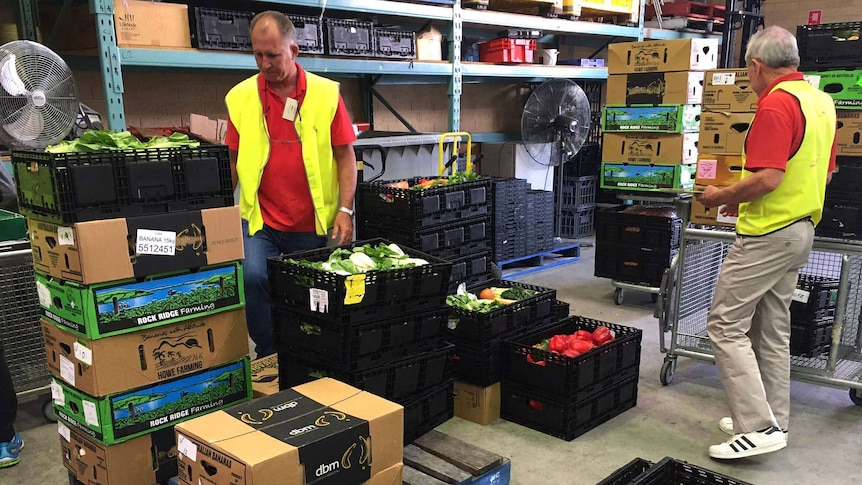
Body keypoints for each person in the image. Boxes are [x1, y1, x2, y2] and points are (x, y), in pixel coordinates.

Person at [695, 26, 837, 460]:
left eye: (748, 70)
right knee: (772, 329)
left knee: (724, 325)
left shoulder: (776, 104)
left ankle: (756, 426)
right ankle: (773, 420)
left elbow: (769, 178)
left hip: (767, 234)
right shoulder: (819, 100)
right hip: (801, 229)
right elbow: (827, 171)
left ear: (756, 66)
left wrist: (722, 198)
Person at [225, 11, 358, 358]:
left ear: (294, 51)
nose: (265, 63)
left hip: (311, 222)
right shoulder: (240, 99)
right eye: (258, 55)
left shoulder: (325, 95)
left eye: (273, 54)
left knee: (310, 291)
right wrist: (220, 214)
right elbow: (233, 162)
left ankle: (310, 354)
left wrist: (345, 209)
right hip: (260, 218)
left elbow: (346, 158)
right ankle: (270, 355)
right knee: (253, 278)